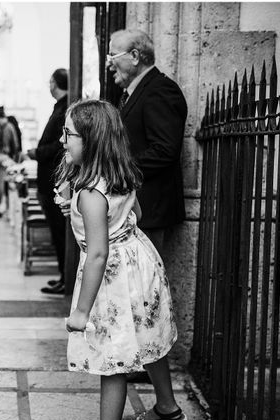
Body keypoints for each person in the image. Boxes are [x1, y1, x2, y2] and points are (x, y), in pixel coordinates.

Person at [57, 100, 186, 420]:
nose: (63, 139)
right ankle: (167, 407)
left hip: (111, 276)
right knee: (146, 337)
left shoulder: (90, 194)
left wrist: (81, 311)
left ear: (92, 141)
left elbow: (97, 254)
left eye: (70, 134)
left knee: (112, 359)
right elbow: (137, 214)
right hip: (139, 261)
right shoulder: (122, 174)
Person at [107, 29, 187, 254]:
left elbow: (164, 150)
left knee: (146, 283)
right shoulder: (135, 92)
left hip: (150, 210)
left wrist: (117, 169)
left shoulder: (160, 90)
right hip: (136, 207)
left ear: (134, 56)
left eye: (112, 56)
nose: (109, 65)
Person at [27, 68, 69, 295]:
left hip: (54, 178)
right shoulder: (60, 107)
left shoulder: (64, 109)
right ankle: (63, 275)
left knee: (60, 233)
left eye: (50, 81)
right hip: (49, 180)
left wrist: (37, 152)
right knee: (56, 233)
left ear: (55, 83)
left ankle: (66, 277)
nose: (48, 85)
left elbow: (59, 146)